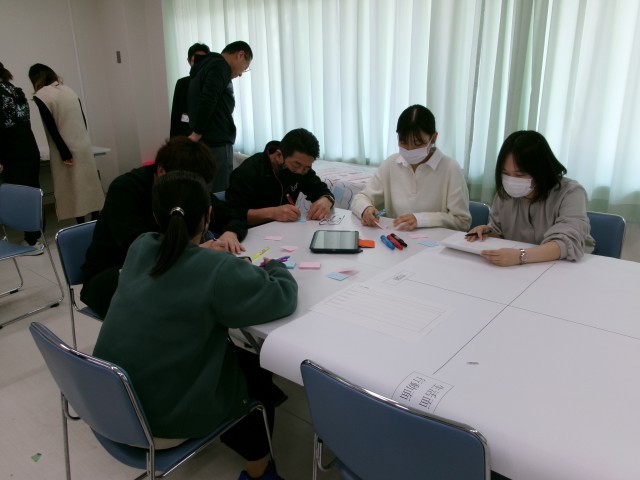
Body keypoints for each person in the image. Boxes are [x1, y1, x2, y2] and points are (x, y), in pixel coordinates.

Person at [93, 170, 296, 480]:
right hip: (160, 424)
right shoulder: (218, 270)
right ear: (208, 215)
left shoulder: (140, 247)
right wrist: (273, 267)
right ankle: (260, 470)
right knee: (255, 378)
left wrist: (201, 254)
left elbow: (178, 268)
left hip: (107, 405)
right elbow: (282, 297)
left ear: (156, 215)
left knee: (233, 361)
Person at [81, 137, 248, 318]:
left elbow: (233, 215)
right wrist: (196, 253)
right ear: (161, 171)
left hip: (168, 270)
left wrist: (230, 232)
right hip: (114, 275)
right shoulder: (125, 189)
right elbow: (139, 249)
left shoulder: (188, 185)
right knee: (193, 307)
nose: (194, 191)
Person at [466, 130, 594, 266]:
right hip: (520, 268)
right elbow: (500, 232)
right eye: (505, 173)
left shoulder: (571, 193)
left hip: (566, 266)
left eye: (520, 175)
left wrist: (520, 256)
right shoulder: (505, 193)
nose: (511, 181)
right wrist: (487, 232)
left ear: (541, 170)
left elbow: (566, 243)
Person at [351, 104, 471, 231]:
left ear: (434, 138)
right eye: (403, 142)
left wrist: (422, 220)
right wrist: (366, 209)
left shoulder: (450, 168)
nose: (409, 149)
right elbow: (360, 198)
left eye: (418, 143)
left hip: (435, 241)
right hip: (397, 238)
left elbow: (463, 221)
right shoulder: (391, 164)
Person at [28, 63, 104, 223]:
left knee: (73, 189)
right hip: (82, 144)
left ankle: (81, 224)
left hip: (66, 147)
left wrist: (64, 152)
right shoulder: (68, 90)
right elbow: (83, 120)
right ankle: (95, 220)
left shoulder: (41, 95)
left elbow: (51, 127)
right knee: (89, 185)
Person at [226, 128, 335, 225]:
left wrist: (326, 200)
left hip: (282, 232)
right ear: (279, 155)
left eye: (307, 167)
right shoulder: (249, 171)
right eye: (296, 165)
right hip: (249, 234)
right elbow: (232, 214)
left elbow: (321, 190)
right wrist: (273, 213)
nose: (300, 171)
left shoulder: (302, 169)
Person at [187, 40, 253, 192]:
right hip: (216, 142)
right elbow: (208, 99)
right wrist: (197, 132)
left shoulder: (205, 65)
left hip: (207, 141)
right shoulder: (220, 66)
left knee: (206, 189)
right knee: (219, 191)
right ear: (240, 55)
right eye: (245, 67)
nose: (241, 74)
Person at [0, 61, 43, 250]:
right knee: (33, 193)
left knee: (20, 196)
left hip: (11, 152)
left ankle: (31, 241)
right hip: (29, 148)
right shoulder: (16, 91)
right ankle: (37, 236)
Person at [170, 42, 210, 138]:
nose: (200, 64)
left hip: (208, 135)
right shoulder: (182, 83)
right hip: (185, 134)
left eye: (203, 60)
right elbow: (176, 113)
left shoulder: (212, 83)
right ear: (189, 61)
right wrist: (173, 141)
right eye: (196, 60)